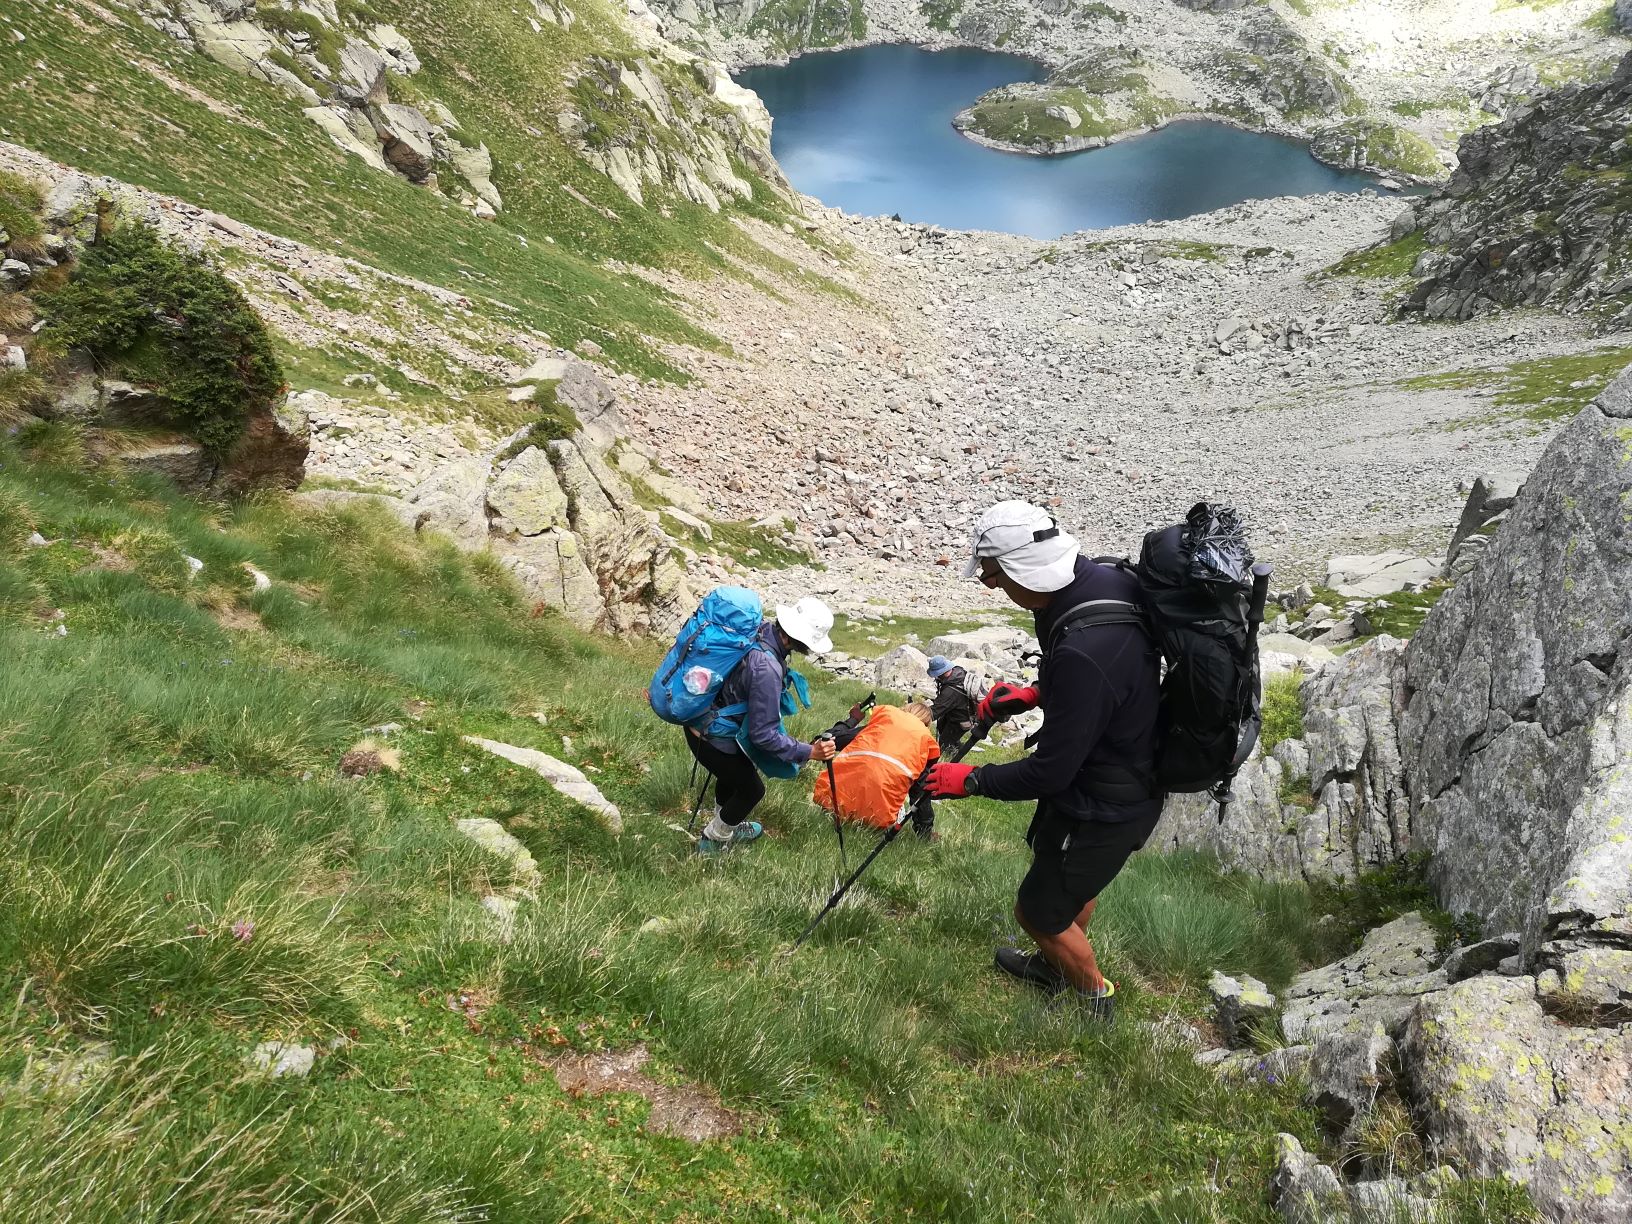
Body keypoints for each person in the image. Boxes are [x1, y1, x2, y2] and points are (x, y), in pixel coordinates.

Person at [923, 501, 1162, 1022]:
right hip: (1120, 772)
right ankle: (1057, 967)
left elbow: (1050, 771)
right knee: (1069, 883)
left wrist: (970, 779)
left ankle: (1095, 1001)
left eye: (993, 578)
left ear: (1020, 569)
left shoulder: (1082, 649)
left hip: (1106, 799)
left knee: (1037, 912)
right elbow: (1104, 679)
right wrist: (1033, 695)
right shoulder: (1098, 580)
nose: (994, 590)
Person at [687, 596, 838, 856]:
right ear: (795, 638)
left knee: (736, 774)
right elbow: (763, 736)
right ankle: (713, 841)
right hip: (711, 737)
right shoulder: (767, 668)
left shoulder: (759, 631)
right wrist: (809, 752)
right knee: (752, 790)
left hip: (698, 720)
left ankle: (726, 822)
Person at [812, 701, 939, 839]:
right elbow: (920, 796)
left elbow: (831, 737)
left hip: (833, 804)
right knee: (900, 797)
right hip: (874, 821)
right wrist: (925, 833)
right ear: (926, 725)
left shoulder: (881, 723)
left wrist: (853, 719)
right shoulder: (922, 741)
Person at [927, 655, 986, 751]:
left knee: (943, 745)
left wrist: (917, 715)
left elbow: (935, 712)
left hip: (960, 721)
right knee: (942, 725)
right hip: (958, 712)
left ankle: (952, 753)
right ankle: (955, 745)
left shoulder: (950, 691)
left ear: (939, 673)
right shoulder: (958, 671)